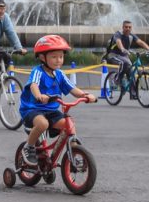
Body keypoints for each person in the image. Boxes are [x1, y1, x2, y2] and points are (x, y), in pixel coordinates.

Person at [19, 35, 95, 166]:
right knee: (43, 124)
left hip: (51, 110)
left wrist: (86, 95)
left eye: (61, 56)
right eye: (54, 57)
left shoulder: (60, 74)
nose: (58, 60)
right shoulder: (38, 71)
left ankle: (74, 149)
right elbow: (33, 85)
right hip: (33, 109)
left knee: (68, 123)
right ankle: (28, 147)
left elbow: (72, 88)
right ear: (43, 57)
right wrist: (39, 96)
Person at [104, 20, 149, 99]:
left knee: (131, 72)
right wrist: (122, 48)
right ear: (123, 27)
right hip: (114, 55)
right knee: (123, 63)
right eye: (126, 27)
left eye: (129, 27)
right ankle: (117, 80)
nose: (128, 29)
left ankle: (133, 94)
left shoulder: (131, 36)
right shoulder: (118, 34)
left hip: (124, 56)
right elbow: (118, 42)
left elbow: (140, 42)